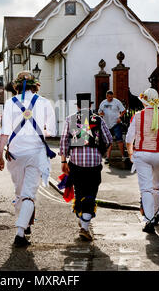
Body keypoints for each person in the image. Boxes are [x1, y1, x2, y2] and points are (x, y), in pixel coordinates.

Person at [0, 71, 56, 247]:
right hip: (36, 153)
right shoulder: (45, 103)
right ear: (35, 85)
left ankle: (24, 224)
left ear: (16, 85)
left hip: (15, 153)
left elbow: (5, 132)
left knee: (19, 191)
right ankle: (21, 231)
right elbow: (51, 131)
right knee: (29, 193)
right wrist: (39, 133)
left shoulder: (9, 103)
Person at [126, 88, 159, 234]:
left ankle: (148, 220)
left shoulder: (137, 117)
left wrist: (130, 153)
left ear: (144, 101)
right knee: (156, 186)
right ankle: (155, 215)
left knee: (146, 188)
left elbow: (129, 138)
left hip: (142, 155)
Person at [60, 93, 112, 241]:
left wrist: (63, 162)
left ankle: (83, 220)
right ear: (90, 105)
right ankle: (84, 226)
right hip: (94, 164)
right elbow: (108, 139)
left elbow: (64, 141)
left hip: (76, 164)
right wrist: (101, 152)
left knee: (80, 193)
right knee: (91, 194)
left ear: (77, 106)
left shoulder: (70, 119)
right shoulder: (98, 119)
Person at [98, 91, 127, 163]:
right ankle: (107, 157)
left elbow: (123, 110)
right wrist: (101, 113)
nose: (110, 98)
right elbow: (99, 112)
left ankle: (123, 156)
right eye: (109, 97)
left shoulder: (117, 102)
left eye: (111, 97)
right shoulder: (103, 103)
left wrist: (120, 117)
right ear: (106, 96)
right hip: (107, 124)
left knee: (119, 140)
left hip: (116, 124)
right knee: (108, 141)